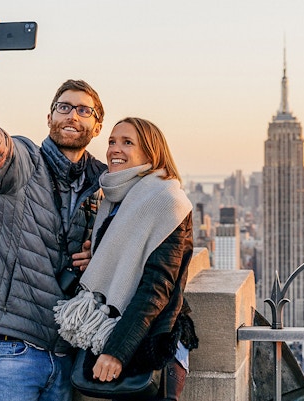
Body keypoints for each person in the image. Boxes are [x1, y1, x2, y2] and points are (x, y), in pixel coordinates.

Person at [0, 15, 107, 401]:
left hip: (68, 352)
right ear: (49, 117)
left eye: (84, 110)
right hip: (10, 349)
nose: (72, 115)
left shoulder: (104, 183)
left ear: (97, 126)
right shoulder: (22, 161)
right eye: (64, 107)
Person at [55, 117, 199, 400]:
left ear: (150, 152)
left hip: (150, 343)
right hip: (111, 330)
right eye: (111, 141)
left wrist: (116, 352)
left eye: (127, 142)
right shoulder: (114, 199)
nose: (114, 149)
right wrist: (95, 259)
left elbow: (156, 288)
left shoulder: (166, 201)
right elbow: (121, 261)